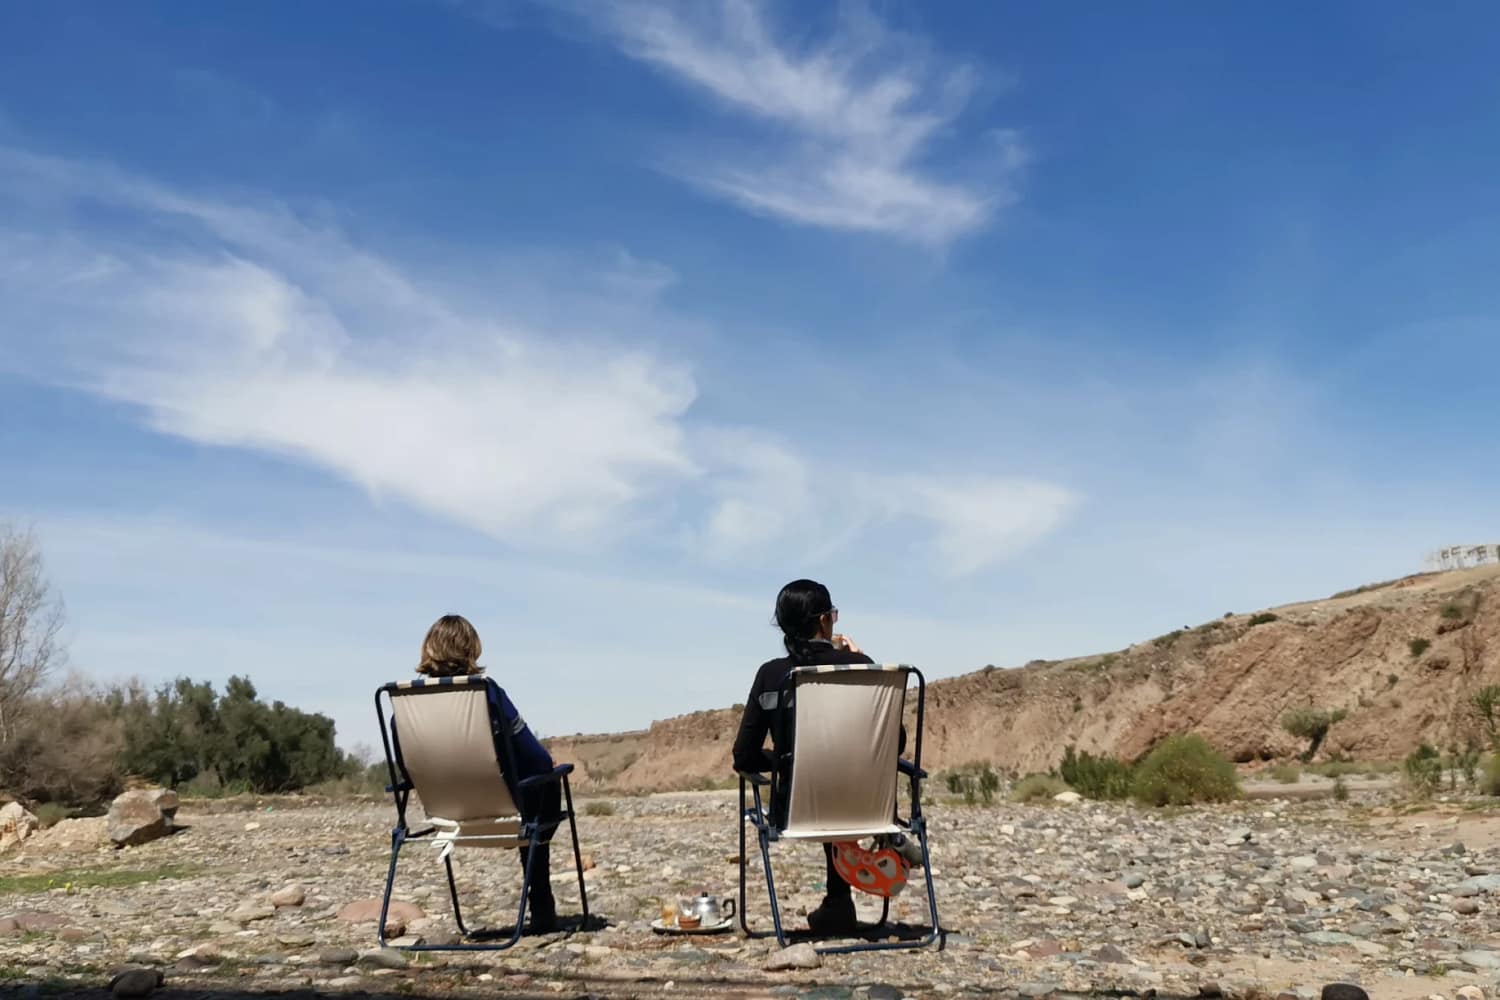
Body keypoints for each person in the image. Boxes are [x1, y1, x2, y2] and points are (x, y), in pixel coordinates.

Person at [732, 579, 893, 936]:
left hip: (796, 807)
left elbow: (743, 756)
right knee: (841, 779)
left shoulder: (772, 674)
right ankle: (838, 902)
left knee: (822, 783)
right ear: (823, 621)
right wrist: (860, 662)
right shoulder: (860, 667)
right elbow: (891, 745)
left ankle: (837, 906)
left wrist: (791, 762)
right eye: (833, 616)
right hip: (868, 804)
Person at [410, 614, 559, 933]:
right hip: (503, 813)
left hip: (447, 817)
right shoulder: (488, 694)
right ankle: (541, 901)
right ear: (472, 649)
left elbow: (409, 770)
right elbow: (537, 759)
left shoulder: (406, 703)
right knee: (547, 784)